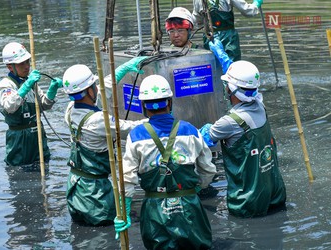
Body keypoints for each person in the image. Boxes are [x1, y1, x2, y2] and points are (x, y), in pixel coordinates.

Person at [114, 75, 216, 249]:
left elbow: (127, 179)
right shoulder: (191, 130)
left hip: (154, 211)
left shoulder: (136, 136)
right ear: (169, 102)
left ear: (145, 107)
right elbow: (208, 170)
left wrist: (124, 212)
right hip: (188, 206)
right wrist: (196, 188)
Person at [200, 40, 287, 217]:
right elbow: (245, 83)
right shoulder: (261, 105)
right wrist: (223, 57)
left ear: (230, 90)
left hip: (247, 203)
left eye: (227, 86)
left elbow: (202, 140)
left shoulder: (228, 123)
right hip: (275, 194)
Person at [62, 57, 147, 226]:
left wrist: (123, 69)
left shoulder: (71, 109)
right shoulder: (98, 120)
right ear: (88, 91)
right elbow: (128, 128)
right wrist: (157, 119)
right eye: (94, 85)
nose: (97, 87)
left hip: (75, 187)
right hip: (95, 194)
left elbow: (103, 87)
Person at [0, 42, 63, 168]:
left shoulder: (31, 82)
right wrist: (26, 86)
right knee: (18, 172)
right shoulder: (6, 85)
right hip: (19, 139)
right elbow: (10, 106)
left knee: (43, 167)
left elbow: (44, 105)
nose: (27, 66)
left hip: (37, 135)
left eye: (27, 62)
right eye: (22, 64)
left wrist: (52, 91)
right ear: (10, 67)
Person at [192, 0, 263, 61]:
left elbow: (197, 20)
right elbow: (247, 11)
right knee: (232, 67)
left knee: (212, 66)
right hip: (229, 39)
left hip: (210, 38)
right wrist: (256, 4)